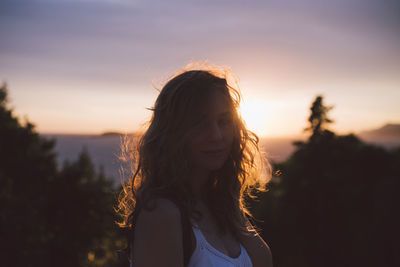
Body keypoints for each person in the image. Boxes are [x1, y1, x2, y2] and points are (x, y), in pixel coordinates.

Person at [117, 63, 273, 267]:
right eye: (200, 123)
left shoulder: (222, 204)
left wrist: (232, 200)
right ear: (173, 133)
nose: (216, 136)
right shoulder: (162, 214)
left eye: (224, 121)